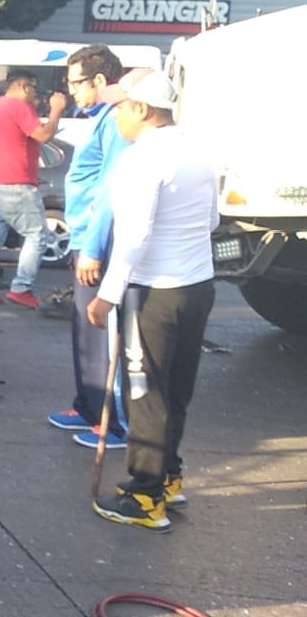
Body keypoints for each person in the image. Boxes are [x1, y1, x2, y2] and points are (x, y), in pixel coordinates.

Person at [86, 72, 218, 531]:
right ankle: (169, 477)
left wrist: (107, 295)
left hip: (154, 290)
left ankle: (145, 496)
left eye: (121, 106)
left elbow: (134, 234)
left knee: (145, 392)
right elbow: (212, 218)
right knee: (176, 388)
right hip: (197, 286)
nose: (116, 114)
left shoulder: (143, 158)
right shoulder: (197, 151)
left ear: (143, 109)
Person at [49, 44, 131, 449]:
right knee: (84, 329)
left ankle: (111, 422)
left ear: (99, 81)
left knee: (101, 332)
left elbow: (110, 189)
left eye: (76, 84)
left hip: (95, 242)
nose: (72, 93)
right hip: (82, 236)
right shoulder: (99, 119)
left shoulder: (116, 121)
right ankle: (87, 406)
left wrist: (93, 248)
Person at [0, 70, 69, 307]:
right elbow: (43, 135)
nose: (36, 96)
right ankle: (21, 287)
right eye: (34, 89)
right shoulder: (20, 108)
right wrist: (56, 110)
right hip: (17, 183)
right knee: (37, 235)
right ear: (24, 87)